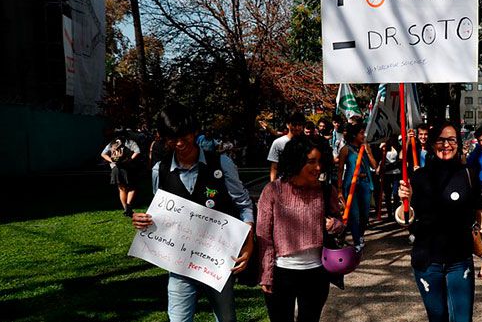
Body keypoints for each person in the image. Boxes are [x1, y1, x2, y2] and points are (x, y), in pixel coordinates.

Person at [131, 103, 255, 322]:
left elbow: (243, 204)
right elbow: (158, 211)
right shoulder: (159, 170)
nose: (179, 143)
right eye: (172, 137)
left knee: (226, 318)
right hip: (179, 265)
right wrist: (143, 220)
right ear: (163, 137)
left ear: (195, 131)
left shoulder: (222, 164)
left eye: (184, 136)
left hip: (218, 262)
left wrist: (249, 239)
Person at [398, 121, 482, 322]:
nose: (446, 144)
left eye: (451, 139)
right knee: (437, 317)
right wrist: (404, 200)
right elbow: (407, 220)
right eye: (440, 139)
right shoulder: (418, 177)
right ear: (432, 144)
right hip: (427, 261)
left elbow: (479, 214)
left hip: (460, 260)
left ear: (458, 143)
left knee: (463, 319)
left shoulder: (468, 174)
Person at [256, 135, 345, 322]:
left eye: (320, 161)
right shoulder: (272, 191)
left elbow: (340, 223)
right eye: (311, 161)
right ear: (296, 161)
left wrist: (334, 225)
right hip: (282, 274)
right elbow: (264, 236)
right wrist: (266, 273)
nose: (318, 167)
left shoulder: (326, 190)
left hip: (316, 274)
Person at [337, 123, 377, 251]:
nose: (363, 135)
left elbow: (375, 166)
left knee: (365, 214)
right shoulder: (345, 149)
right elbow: (339, 171)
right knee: (354, 214)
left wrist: (368, 152)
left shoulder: (365, 148)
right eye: (361, 133)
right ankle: (356, 240)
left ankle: (360, 235)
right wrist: (339, 189)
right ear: (354, 134)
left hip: (365, 183)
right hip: (351, 184)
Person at [101, 130, 141, 217]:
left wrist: (111, 161)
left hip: (116, 168)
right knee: (132, 187)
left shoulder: (112, 143)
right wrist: (130, 160)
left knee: (121, 189)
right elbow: (137, 151)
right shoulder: (130, 142)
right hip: (127, 168)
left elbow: (103, 154)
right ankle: (128, 205)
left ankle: (125, 209)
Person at [268, 112, 306, 181]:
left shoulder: (307, 142)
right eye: (294, 125)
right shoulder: (278, 142)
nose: (297, 128)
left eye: (300, 125)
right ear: (288, 125)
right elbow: (274, 166)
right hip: (284, 181)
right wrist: (273, 184)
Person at [379, 135, 402, 217]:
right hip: (386, 174)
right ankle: (389, 213)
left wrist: (390, 166)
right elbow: (380, 158)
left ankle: (395, 211)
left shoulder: (398, 147)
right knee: (388, 194)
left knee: (396, 193)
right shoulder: (384, 146)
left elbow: (400, 159)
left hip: (396, 173)